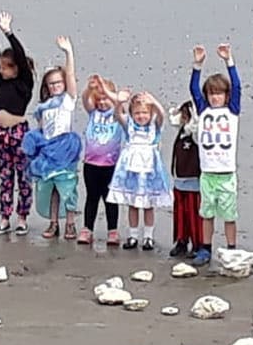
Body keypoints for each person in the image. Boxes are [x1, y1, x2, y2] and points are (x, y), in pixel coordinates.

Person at [189, 44, 242, 267]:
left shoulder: (232, 111)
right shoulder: (203, 110)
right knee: (207, 213)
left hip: (226, 172)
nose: (215, 98)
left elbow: (238, 86)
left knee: (229, 215)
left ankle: (231, 248)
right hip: (208, 173)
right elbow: (193, 88)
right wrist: (197, 64)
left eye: (219, 94)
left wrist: (229, 60)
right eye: (211, 94)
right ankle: (205, 248)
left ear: (226, 95)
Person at [26, 37, 81, 240]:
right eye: (51, 84)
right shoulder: (44, 106)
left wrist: (68, 53)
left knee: (68, 187)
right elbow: (40, 129)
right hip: (49, 150)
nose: (55, 86)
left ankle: (71, 224)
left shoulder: (68, 100)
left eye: (58, 82)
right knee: (52, 189)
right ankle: (53, 223)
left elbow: (71, 75)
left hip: (66, 148)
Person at [0, 11, 34, 235]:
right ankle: (5, 217)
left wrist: (8, 33)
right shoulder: (1, 83)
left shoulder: (24, 83)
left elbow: (21, 58)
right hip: (1, 134)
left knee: (23, 176)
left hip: (19, 133)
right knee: (6, 176)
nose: (2, 70)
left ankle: (22, 217)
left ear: (15, 68)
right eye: (1, 67)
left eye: (7, 67)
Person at [103, 88, 170, 251]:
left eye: (145, 112)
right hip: (131, 170)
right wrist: (120, 102)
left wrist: (154, 101)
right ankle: (132, 236)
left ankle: (148, 236)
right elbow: (118, 115)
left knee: (148, 205)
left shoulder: (155, 125)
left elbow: (163, 115)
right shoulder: (129, 125)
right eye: (138, 113)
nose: (141, 116)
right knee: (132, 204)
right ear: (132, 114)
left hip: (149, 170)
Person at [79, 74, 125, 246]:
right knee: (92, 197)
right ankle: (87, 229)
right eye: (100, 99)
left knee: (110, 199)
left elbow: (120, 102)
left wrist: (107, 91)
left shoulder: (117, 114)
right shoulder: (93, 113)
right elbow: (85, 99)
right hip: (91, 163)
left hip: (111, 164)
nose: (103, 102)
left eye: (106, 98)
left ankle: (112, 230)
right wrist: (90, 89)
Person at [169, 101, 202, 258]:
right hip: (179, 180)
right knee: (180, 214)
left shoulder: (196, 134)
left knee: (194, 214)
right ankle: (181, 241)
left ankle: (197, 244)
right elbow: (171, 118)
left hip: (193, 181)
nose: (183, 118)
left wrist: (195, 114)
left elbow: (196, 127)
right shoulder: (181, 132)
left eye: (185, 115)